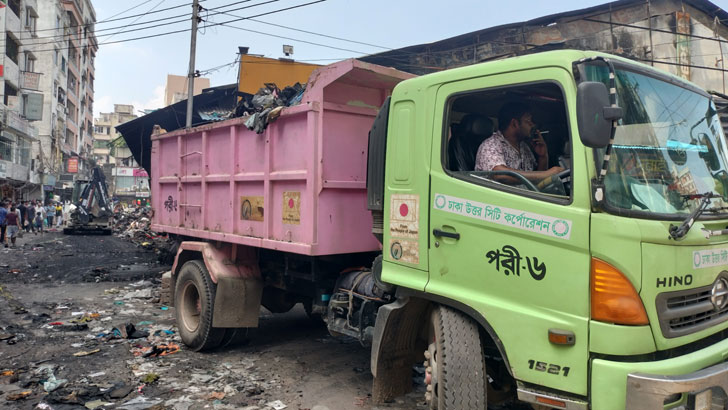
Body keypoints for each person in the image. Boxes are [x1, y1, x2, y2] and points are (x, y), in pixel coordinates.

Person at [475, 102, 564, 184]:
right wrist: (546, 174)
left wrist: (543, 156)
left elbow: (536, 181)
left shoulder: (524, 147)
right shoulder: (491, 145)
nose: (532, 125)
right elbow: (500, 175)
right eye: (528, 121)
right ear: (515, 123)